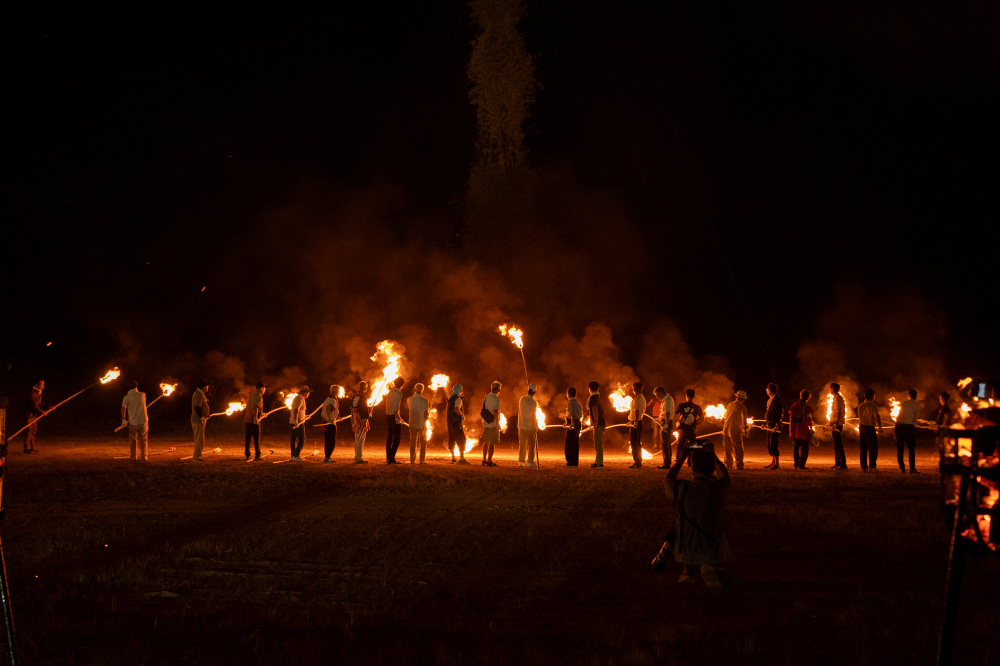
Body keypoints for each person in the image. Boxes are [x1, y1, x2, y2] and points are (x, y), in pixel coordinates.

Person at [664, 442, 734, 588]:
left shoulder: (682, 488)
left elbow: (668, 481)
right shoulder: (720, 489)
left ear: (693, 468)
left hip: (686, 549)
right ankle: (709, 566)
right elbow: (725, 477)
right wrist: (713, 456)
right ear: (713, 467)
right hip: (713, 547)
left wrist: (682, 458)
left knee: (686, 529)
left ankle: (687, 572)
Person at [674, 389, 704, 466]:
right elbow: (702, 418)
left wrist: (678, 422)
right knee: (692, 445)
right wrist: (696, 423)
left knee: (680, 444)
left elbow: (673, 413)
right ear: (694, 396)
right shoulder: (697, 407)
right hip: (692, 429)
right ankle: (691, 461)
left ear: (686, 396)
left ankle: (678, 460)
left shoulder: (681, 405)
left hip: (682, 429)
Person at [121, 380, 148, 461]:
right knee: (143, 439)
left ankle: (133, 457)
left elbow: (123, 407)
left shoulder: (126, 397)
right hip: (143, 420)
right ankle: (144, 457)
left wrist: (123, 419)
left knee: (133, 440)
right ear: (136, 386)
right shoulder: (143, 395)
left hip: (133, 422)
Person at [722, 390, 749, 470]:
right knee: (738, 448)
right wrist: (745, 428)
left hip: (726, 429)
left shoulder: (730, 404)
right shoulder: (743, 407)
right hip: (735, 430)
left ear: (736, 397)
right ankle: (739, 465)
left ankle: (728, 465)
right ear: (743, 399)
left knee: (727, 449)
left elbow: (726, 416)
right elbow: (744, 419)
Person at [857, 388, 883, 472]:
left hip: (862, 427)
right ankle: (872, 466)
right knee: (873, 447)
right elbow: (877, 416)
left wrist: (860, 427)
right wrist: (880, 427)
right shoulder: (873, 406)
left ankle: (864, 466)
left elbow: (860, 418)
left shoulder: (861, 405)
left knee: (863, 448)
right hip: (870, 428)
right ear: (872, 396)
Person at [895, 389, 920, 474]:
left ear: (909, 395)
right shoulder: (917, 405)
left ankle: (902, 468)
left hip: (899, 426)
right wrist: (913, 426)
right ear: (915, 396)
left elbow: (899, 415)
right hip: (909, 427)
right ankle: (912, 468)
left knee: (900, 448)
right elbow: (915, 419)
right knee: (911, 449)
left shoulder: (904, 403)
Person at [788, 390, 814, 469]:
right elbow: (809, 419)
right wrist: (811, 428)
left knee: (796, 447)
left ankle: (796, 463)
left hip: (794, 429)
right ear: (808, 398)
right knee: (804, 448)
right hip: (803, 430)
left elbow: (790, 415)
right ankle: (801, 464)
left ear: (800, 396)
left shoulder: (794, 405)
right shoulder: (807, 408)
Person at [652, 387, 675, 469]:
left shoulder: (667, 400)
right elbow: (664, 412)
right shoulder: (665, 399)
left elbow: (668, 413)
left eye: (658, 395)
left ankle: (666, 464)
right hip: (664, 421)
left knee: (665, 444)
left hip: (666, 423)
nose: (657, 397)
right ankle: (667, 462)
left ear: (662, 392)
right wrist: (658, 418)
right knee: (666, 443)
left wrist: (666, 424)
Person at [24, 380, 49, 453]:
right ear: (36, 384)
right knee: (28, 430)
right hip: (29, 414)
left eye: (43, 384)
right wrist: (42, 412)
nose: (43, 386)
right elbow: (34, 405)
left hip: (35, 415)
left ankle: (32, 448)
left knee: (33, 431)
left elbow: (39, 404)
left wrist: (48, 408)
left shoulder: (39, 392)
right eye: (41, 384)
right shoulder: (32, 393)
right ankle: (27, 448)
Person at [447, 384, 469, 465]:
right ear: (460, 390)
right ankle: (462, 458)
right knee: (461, 439)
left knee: (452, 438)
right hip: (456, 422)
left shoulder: (451, 397)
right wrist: (462, 415)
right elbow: (456, 409)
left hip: (449, 421)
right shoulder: (458, 399)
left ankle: (453, 457)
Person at [320, 384, 342, 463]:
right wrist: (330, 420)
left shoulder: (330, 399)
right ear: (337, 391)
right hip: (329, 423)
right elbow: (328, 409)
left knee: (329, 440)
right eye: (339, 390)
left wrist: (337, 417)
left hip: (329, 421)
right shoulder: (332, 400)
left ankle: (327, 457)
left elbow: (331, 410)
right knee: (330, 441)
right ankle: (327, 457)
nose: (339, 392)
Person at [385, 377, 405, 464]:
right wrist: (398, 417)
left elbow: (388, 404)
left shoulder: (390, 392)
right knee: (397, 438)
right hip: (394, 416)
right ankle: (391, 457)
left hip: (388, 415)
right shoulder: (398, 393)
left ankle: (388, 457)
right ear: (402, 385)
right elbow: (396, 406)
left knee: (390, 436)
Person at [518, 384, 539, 468]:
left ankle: (521, 461)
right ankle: (530, 462)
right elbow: (533, 415)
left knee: (522, 444)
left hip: (520, 425)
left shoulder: (522, 399)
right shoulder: (533, 402)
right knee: (531, 444)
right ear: (534, 392)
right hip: (529, 426)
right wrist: (534, 425)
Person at [244, 381, 266, 461]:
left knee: (248, 438)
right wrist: (256, 418)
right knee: (256, 438)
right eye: (264, 388)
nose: (264, 390)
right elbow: (255, 408)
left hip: (247, 420)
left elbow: (254, 408)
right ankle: (257, 455)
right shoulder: (259, 397)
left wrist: (262, 414)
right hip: (254, 421)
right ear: (261, 389)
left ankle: (247, 454)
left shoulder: (251, 396)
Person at [408, 383, 429, 464]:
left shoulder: (409, 399)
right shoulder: (425, 401)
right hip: (422, 423)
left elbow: (411, 410)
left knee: (413, 442)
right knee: (423, 443)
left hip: (413, 422)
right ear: (422, 390)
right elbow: (425, 414)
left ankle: (412, 460)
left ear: (415, 389)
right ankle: (422, 460)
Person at [828, 383, 848, 470]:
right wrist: (830, 421)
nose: (830, 390)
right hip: (834, 423)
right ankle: (837, 463)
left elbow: (839, 411)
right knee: (835, 444)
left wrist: (836, 422)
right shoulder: (835, 398)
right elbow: (834, 412)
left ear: (833, 389)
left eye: (831, 388)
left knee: (838, 444)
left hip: (838, 424)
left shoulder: (839, 398)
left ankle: (843, 464)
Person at [190, 379, 211, 462]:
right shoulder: (198, 394)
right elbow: (197, 407)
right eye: (207, 385)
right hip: (198, 421)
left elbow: (202, 407)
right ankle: (196, 457)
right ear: (204, 387)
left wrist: (206, 415)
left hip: (200, 420)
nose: (208, 387)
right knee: (199, 439)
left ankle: (198, 456)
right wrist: (201, 417)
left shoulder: (201, 394)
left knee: (200, 439)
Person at [481, 381, 501, 467]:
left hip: (486, 423)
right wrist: (497, 423)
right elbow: (496, 411)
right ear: (498, 389)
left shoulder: (487, 397)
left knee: (486, 442)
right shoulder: (496, 399)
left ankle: (484, 459)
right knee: (492, 443)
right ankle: (489, 461)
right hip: (493, 424)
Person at [289, 386, 311, 461]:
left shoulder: (297, 398)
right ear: (305, 393)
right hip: (297, 423)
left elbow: (298, 411)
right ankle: (296, 455)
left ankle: (293, 456)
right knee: (302, 439)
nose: (309, 393)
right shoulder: (300, 398)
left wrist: (305, 416)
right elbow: (296, 410)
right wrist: (296, 421)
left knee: (294, 439)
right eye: (308, 392)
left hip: (295, 421)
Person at [764, 383, 783, 470]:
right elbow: (768, 413)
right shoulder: (770, 399)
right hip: (769, 424)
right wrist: (765, 423)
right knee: (770, 444)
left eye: (767, 389)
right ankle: (773, 462)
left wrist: (777, 426)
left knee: (773, 444)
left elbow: (779, 414)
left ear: (770, 390)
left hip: (775, 425)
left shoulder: (777, 400)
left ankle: (777, 464)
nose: (766, 390)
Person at [628, 381, 647, 469]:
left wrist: (634, 421)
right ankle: (638, 461)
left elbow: (637, 411)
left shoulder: (638, 398)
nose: (632, 389)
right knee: (637, 443)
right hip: (638, 421)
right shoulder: (642, 398)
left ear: (635, 389)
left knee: (634, 443)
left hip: (637, 422)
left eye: (633, 388)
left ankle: (637, 462)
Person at [351, 381, 371, 464]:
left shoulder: (354, 396)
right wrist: (365, 419)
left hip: (355, 418)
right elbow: (363, 409)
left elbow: (352, 407)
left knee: (357, 437)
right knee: (361, 438)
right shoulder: (363, 397)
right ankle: (358, 457)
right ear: (365, 388)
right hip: (360, 419)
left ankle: (357, 455)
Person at [588, 382, 606, 468]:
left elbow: (594, 409)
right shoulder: (599, 397)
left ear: (590, 389)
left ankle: (599, 463)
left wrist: (595, 422)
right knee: (598, 443)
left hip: (598, 423)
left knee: (598, 443)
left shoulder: (593, 398)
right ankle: (597, 461)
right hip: (601, 423)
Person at [564, 387, 583, 467]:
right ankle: (574, 462)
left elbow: (573, 414)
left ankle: (570, 462)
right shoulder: (577, 402)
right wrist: (566, 422)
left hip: (574, 423)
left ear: (568, 394)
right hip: (578, 422)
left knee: (569, 443)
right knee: (575, 443)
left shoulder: (571, 402)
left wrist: (571, 423)